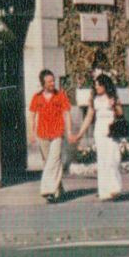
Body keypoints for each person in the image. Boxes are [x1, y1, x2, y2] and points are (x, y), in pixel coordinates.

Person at [71, 73, 125, 201]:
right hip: (100, 131)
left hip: (111, 130)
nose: (97, 88)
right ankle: (105, 191)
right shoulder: (94, 100)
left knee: (114, 158)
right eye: (95, 86)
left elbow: (120, 114)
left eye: (99, 85)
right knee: (103, 160)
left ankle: (115, 188)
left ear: (105, 85)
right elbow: (88, 118)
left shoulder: (113, 97)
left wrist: (114, 106)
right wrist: (79, 134)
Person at [28, 68, 72, 203]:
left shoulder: (61, 95)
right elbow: (32, 116)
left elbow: (67, 114)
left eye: (53, 80)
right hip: (43, 134)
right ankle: (59, 189)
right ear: (43, 83)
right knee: (49, 163)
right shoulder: (37, 97)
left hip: (57, 133)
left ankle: (48, 190)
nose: (53, 83)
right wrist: (31, 133)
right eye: (49, 81)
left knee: (54, 161)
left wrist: (69, 132)